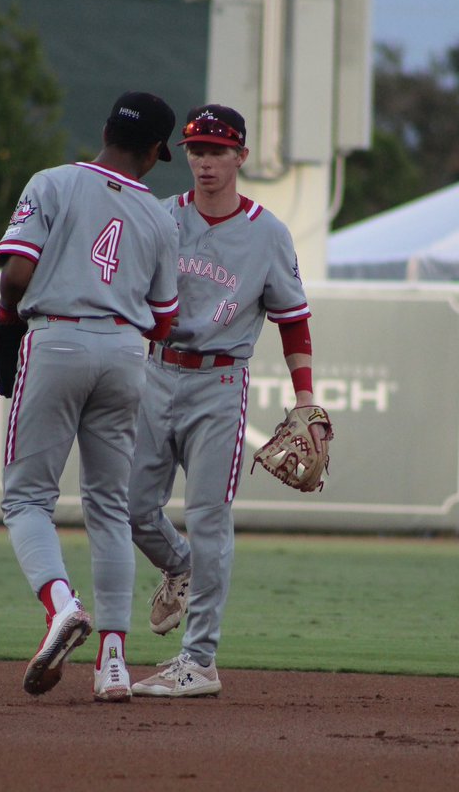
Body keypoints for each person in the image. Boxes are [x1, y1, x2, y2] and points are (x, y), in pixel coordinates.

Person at [127, 104, 328, 698]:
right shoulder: (161, 218)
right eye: (195, 150)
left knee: (210, 518)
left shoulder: (268, 233)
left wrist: (307, 400)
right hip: (156, 374)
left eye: (217, 150)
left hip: (219, 383)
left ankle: (200, 660)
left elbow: (293, 321)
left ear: (241, 156)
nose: (205, 161)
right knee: (133, 507)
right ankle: (178, 565)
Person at [0, 91, 180, 702]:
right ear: (156, 153)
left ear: (104, 129)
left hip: (58, 340)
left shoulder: (51, 183)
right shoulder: (159, 216)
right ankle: (115, 665)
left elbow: (17, 273)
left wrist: (7, 316)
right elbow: (163, 320)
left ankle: (61, 607)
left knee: (26, 500)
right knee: (109, 510)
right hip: (126, 353)